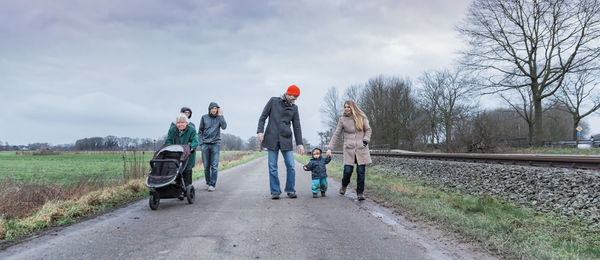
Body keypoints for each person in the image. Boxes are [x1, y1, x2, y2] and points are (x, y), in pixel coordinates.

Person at [257, 85, 305, 199]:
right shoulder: (273, 101)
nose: (295, 99)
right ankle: (275, 191)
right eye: (294, 96)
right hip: (271, 138)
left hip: (286, 139)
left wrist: (300, 144)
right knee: (272, 166)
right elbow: (263, 117)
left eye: (297, 97)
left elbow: (297, 126)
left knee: (291, 166)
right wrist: (260, 131)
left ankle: (290, 189)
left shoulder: (294, 108)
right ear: (288, 94)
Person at [326, 100, 372, 201]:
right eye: (345, 107)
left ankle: (360, 193)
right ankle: (344, 185)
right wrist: (330, 148)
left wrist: (365, 140)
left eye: (348, 107)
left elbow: (368, 130)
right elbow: (337, 134)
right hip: (349, 149)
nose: (346, 109)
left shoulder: (362, 117)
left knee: (361, 171)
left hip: (361, 148)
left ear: (353, 108)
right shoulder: (342, 120)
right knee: (347, 171)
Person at [166, 113, 199, 198]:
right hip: (175, 154)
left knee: (187, 172)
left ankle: (188, 189)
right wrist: (170, 148)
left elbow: (195, 140)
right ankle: (179, 190)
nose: (180, 124)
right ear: (176, 124)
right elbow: (168, 141)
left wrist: (191, 147)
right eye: (178, 123)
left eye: (182, 122)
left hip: (188, 154)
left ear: (186, 123)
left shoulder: (191, 129)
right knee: (177, 172)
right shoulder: (172, 130)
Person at [198, 102, 227, 191]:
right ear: (209, 109)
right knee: (206, 166)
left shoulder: (219, 118)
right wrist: (201, 143)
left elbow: (224, 127)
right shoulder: (204, 117)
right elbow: (200, 131)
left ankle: (212, 184)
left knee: (214, 166)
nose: (214, 110)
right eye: (212, 108)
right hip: (205, 144)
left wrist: (221, 116)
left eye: (216, 108)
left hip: (215, 144)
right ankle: (208, 182)